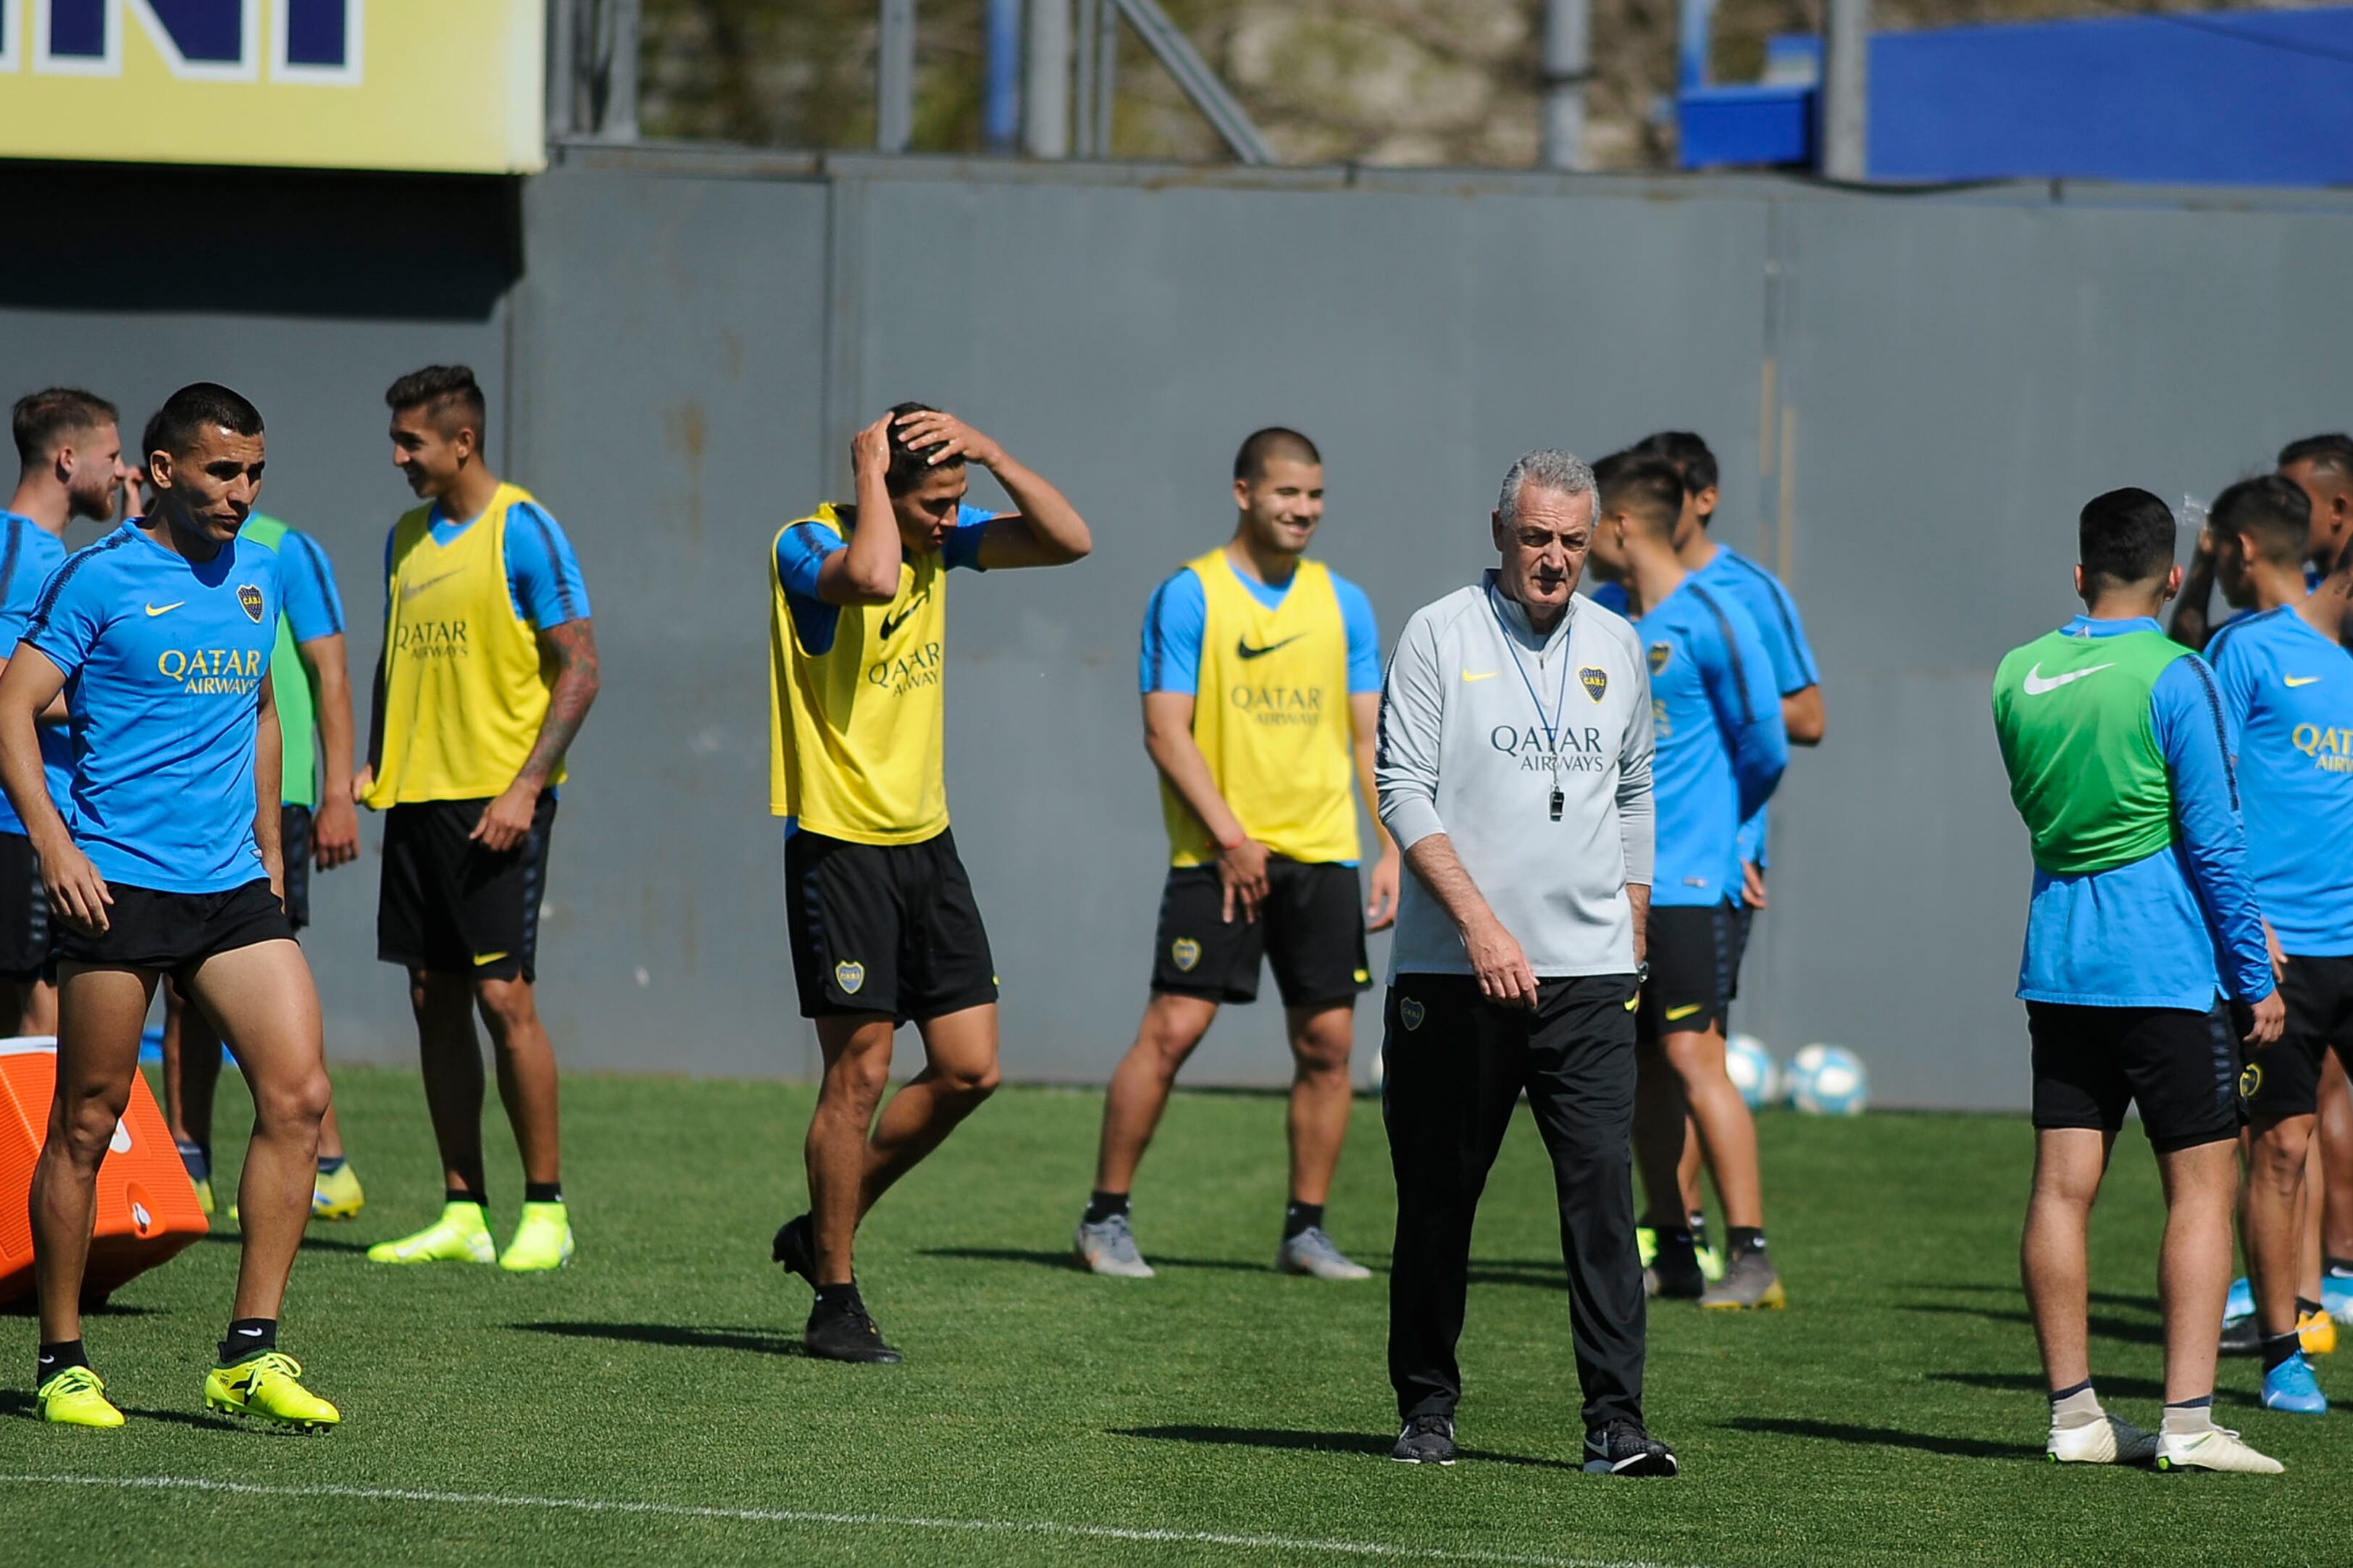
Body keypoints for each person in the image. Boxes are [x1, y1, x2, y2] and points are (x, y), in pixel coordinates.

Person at [1, 382, 339, 1430]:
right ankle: (63, 1358)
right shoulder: (96, 577)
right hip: (117, 883)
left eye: (255, 473)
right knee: (87, 1124)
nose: (242, 493)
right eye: (221, 472)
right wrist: (55, 847)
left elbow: (259, 709)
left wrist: (272, 856)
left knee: (299, 1097)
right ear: (160, 471)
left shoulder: (264, 571)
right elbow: (11, 709)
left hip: (229, 885)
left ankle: (249, 1350)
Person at [767, 405, 1090, 1362]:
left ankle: (823, 1220)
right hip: (840, 845)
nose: (953, 519)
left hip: (926, 842)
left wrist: (990, 450)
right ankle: (834, 1292)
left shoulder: (938, 545)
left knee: (969, 1067)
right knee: (858, 1071)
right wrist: (869, 478)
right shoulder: (809, 542)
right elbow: (866, 577)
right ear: (885, 489)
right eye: (936, 503)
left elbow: (1070, 540)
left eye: (960, 502)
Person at [1375, 448, 1675, 1475]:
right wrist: (1480, 926)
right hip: (1455, 973)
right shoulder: (1436, 632)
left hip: (1588, 977)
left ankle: (1616, 1424)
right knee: (1439, 1197)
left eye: (1573, 542)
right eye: (1537, 537)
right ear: (1499, 532)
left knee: (1600, 1194)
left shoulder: (1619, 643)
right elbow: (1402, 790)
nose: (1554, 559)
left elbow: (1636, 789)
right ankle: (1425, 1408)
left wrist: (1634, 913)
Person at [1989, 486, 2283, 1472]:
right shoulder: (2177, 672)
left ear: (2078, 573)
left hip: (2059, 962)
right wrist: (2254, 975)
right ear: (2169, 577)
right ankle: (2188, 1423)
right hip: (2163, 967)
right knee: (2203, 1188)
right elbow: (2214, 839)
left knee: (2061, 1189)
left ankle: (2075, 1417)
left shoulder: (2016, 672)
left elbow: (2047, 816)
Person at [1074, 428, 1397, 1282]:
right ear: (1243, 491)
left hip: (1323, 852)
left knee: (1328, 1046)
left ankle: (1306, 1230)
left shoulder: (1344, 603)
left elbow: (1368, 739)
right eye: (1287, 493)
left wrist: (1391, 843)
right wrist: (1229, 836)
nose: (1303, 510)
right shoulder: (1190, 595)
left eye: (1315, 496)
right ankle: (1104, 1218)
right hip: (1218, 857)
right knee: (1173, 1029)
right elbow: (1163, 730)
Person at [357, 366, 599, 1273]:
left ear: (462, 441)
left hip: (496, 801)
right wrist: (379, 755)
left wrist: (525, 787)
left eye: (410, 441)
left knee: (504, 998)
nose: (397, 457)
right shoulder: (404, 538)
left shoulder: (523, 529)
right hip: (417, 800)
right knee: (433, 996)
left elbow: (580, 667)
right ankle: (462, 1205)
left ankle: (546, 1210)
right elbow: (393, 658)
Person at [1590, 432, 1823, 1278]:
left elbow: (1769, 745)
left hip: (1691, 880)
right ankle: (1676, 1243)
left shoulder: (1715, 615)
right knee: (1641, 1070)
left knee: (1694, 1056)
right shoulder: (1606, 619)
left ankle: (1751, 1253)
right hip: (1616, 888)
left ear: (1617, 524)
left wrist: (1723, 831)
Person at [160, 506, 365, 1220]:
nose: (236, 486)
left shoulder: (284, 549)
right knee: (183, 988)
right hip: (178, 801)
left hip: (276, 796)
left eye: (245, 469)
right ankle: (190, 1159)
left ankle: (326, 1157)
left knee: (263, 973)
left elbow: (329, 672)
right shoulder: (137, 557)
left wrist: (337, 791)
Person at [2202, 474, 2351, 1414]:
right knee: (2283, 1149)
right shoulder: (2246, 652)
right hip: (2285, 953)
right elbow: (2204, 789)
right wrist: (2242, 924)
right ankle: (2279, 1351)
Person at [0, 389, 128, 1036]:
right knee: (42, 1011)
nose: (122, 471)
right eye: (112, 455)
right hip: (21, 821)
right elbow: (4, 687)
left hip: (34, 821)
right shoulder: (35, 557)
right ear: (68, 459)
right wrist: (121, 701)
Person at [2171, 432, 2353, 651]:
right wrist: (2206, 561)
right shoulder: (2293, 600)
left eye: (2294, 498)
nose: (2278, 509)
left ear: (2338, 509)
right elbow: (2192, 658)